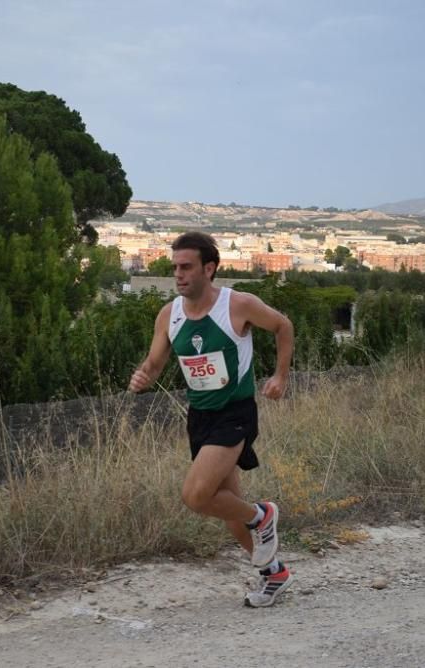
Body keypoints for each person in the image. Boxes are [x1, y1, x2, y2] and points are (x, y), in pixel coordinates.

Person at [128, 231, 295, 607]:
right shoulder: (169, 315)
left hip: (234, 413)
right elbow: (155, 362)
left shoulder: (238, 305)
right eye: (174, 268)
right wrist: (143, 375)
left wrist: (280, 376)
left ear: (209, 268)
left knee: (197, 495)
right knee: (226, 503)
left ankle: (263, 515)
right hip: (199, 416)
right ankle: (275, 574)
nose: (178, 274)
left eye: (186, 267)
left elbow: (283, 326)